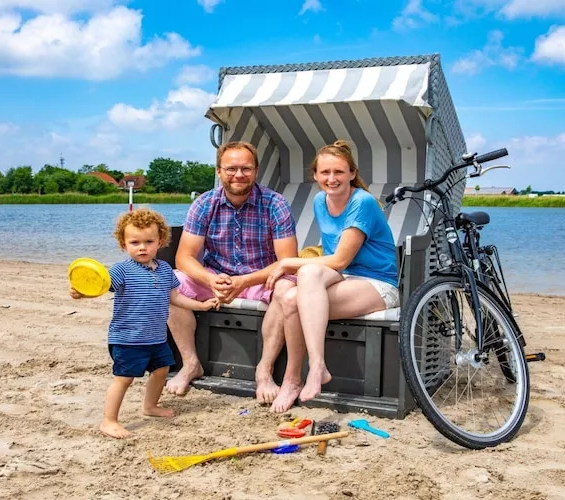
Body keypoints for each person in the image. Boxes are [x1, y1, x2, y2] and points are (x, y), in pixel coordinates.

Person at [265, 140, 399, 412]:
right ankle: (292, 379)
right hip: (343, 278)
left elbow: (340, 259)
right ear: (315, 175)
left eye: (339, 172)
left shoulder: (363, 202)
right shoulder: (319, 201)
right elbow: (335, 264)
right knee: (292, 294)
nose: (331, 179)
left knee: (306, 274)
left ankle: (316, 366)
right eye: (324, 173)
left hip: (377, 283)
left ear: (352, 173)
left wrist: (287, 263)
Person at [165, 141, 298, 404]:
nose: (239, 174)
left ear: (256, 170)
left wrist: (244, 281)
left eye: (246, 168)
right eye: (231, 168)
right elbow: (184, 257)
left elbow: (288, 261)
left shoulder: (275, 203)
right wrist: (210, 279)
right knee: (169, 282)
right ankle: (191, 363)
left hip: (261, 277)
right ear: (219, 171)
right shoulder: (204, 203)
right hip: (216, 276)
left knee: (287, 288)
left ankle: (265, 370)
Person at [70, 208, 219, 439]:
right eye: (135, 242)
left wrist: (201, 305)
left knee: (161, 371)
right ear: (123, 244)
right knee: (124, 378)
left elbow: (174, 298)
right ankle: (109, 421)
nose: (142, 247)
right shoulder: (122, 270)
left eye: (149, 241)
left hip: (156, 337)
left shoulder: (165, 269)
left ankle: (150, 407)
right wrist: (82, 293)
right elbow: (101, 286)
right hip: (128, 338)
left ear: (160, 242)